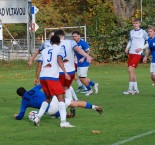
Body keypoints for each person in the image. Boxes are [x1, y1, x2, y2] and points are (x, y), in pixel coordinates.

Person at [34, 35, 74, 128]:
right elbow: (59, 60)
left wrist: (36, 77)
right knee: (61, 99)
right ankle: (63, 122)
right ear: (59, 42)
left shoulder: (44, 51)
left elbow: (39, 64)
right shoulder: (59, 49)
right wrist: (65, 72)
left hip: (43, 77)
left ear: (51, 42)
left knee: (48, 99)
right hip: (52, 77)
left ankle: (37, 118)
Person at [14, 84, 103, 120]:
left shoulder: (24, 102)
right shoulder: (34, 89)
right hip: (55, 99)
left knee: (49, 113)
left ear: (20, 96)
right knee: (75, 103)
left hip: (49, 107)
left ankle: (67, 114)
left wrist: (16, 116)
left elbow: (21, 115)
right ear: (25, 90)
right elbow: (43, 84)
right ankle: (94, 107)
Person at [54, 29, 93, 99]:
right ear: (64, 35)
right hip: (71, 71)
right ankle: (72, 102)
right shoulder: (71, 42)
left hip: (59, 71)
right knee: (67, 87)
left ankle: (62, 104)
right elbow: (79, 50)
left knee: (58, 89)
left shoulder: (54, 44)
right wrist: (87, 56)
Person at [123, 18, 148, 95]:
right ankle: (136, 90)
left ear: (139, 24)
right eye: (134, 23)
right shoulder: (131, 32)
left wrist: (141, 48)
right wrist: (127, 47)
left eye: (136, 23)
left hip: (137, 54)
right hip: (131, 53)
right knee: (131, 71)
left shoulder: (143, 32)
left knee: (130, 70)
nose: (135, 25)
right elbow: (130, 41)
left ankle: (130, 90)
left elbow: (148, 42)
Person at [72, 31, 98, 96]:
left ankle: (90, 90)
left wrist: (83, 58)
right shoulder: (74, 44)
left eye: (75, 36)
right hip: (79, 62)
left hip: (84, 62)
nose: (74, 37)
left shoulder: (83, 43)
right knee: (81, 78)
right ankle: (94, 85)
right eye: (73, 36)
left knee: (82, 78)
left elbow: (88, 51)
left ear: (79, 36)